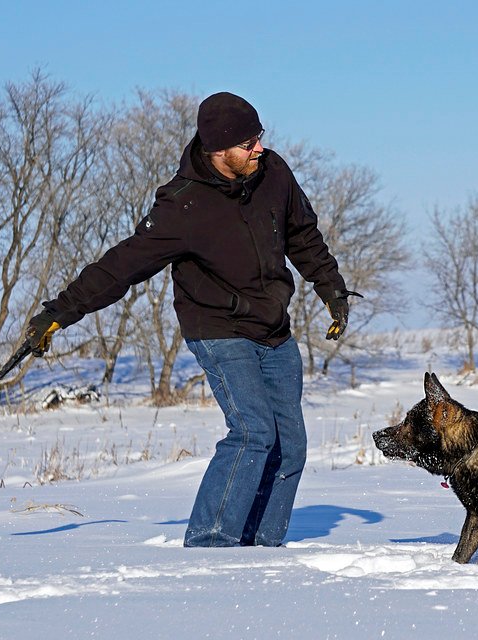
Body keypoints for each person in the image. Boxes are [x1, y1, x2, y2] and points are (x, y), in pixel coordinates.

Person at [25, 91, 359, 548]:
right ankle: (210, 547)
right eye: (248, 143)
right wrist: (60, 313)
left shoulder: (273, 173)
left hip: (273, 327)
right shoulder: (182, 205)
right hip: (219, 330)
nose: (259, 148)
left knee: (290, 446)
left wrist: (332, 288)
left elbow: (302, 234)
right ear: (218, 150)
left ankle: (262, 550)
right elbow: (121, 265)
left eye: (259, 137)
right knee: (252, 431)